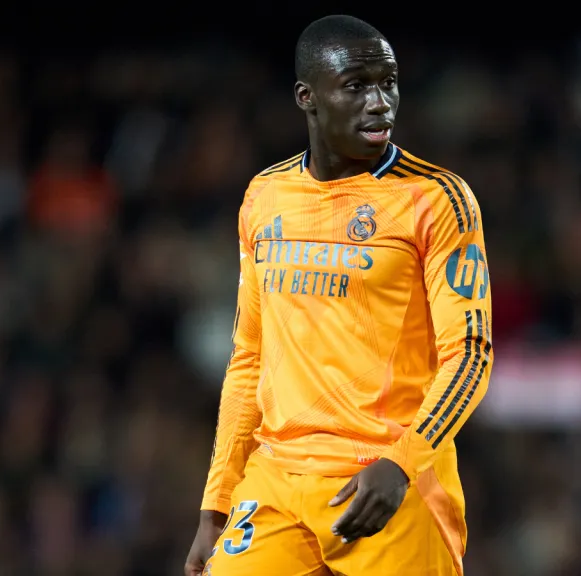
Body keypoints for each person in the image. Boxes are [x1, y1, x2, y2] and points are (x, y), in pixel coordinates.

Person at [185, 14, 492, 576]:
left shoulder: (436, 200)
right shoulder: (266, 197)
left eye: (389, 82)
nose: (380, 103)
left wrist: (400, 466)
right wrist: (216, 501)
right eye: (357, 86)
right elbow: (249, 357)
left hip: (389, 484)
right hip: (277, 484)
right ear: (308, 97)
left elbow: (470, 355)